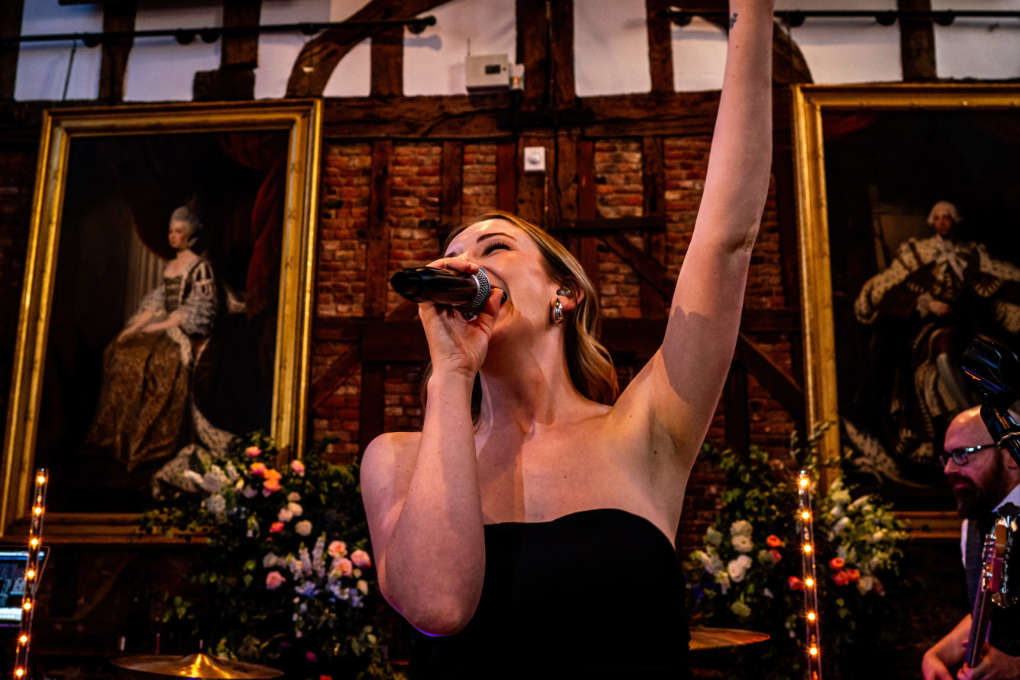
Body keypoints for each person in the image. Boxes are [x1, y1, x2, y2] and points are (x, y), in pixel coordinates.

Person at [359, 2, 773, 677]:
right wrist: (452, 375)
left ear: (565, 293)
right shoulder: (397, 460)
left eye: (493, 247)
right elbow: (439, 605)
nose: (464, 266)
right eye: (452, 257)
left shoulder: (646, 428)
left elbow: (728, 238)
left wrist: (751, 12)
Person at [849, 201, 1020, 471]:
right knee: (934, 355)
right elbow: (886, 289)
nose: (942, 223)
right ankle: (961, 422)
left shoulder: (971, 254)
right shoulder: (918, 253)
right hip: (929, 327)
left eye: (947, 218)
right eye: (937, 218)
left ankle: (988, 418)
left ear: (954, 221)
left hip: (965, 323)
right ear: (932, 222)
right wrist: (926, 304)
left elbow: (1001, 278)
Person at [86, 205, 217, 472]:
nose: (172, 236)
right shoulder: (171, 266)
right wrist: (134, 328)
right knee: (121, 351)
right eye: (171, 231)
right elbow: (156, 304)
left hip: (182, 330)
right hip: (161, 326)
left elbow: (200, 309)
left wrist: (162, 325)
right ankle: (120, 438)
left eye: (178, 232)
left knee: (161, 363)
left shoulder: (200, 267)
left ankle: (151, 443)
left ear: (190, 236)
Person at [921, 406, 1020, 680]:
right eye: (947, 457)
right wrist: (936, 655)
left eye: (962, 454)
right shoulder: (974, 527)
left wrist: (1015, 666)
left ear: (1010, 455)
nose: (949, 469)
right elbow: (989, 615)